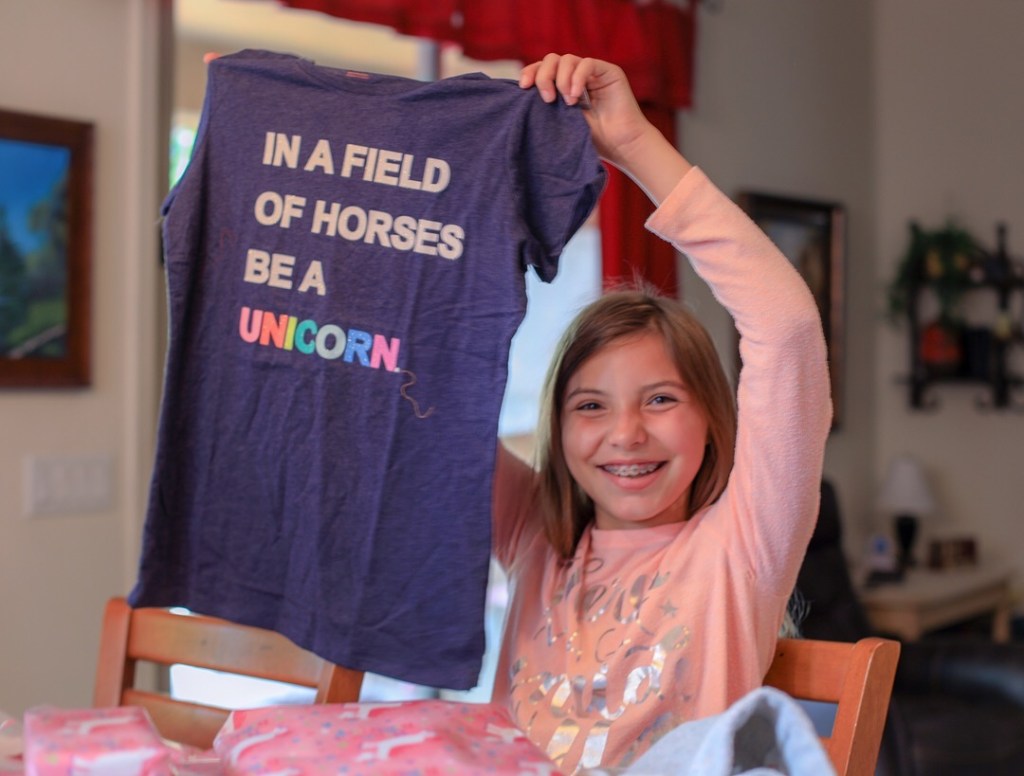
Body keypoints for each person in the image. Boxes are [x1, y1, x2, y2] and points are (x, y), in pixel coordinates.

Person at [489, 54, 833, 773]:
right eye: (591, 406)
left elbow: (788, 328)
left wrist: (633, 143)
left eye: (661, 399)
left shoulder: (740, 549)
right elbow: (411, 379)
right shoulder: (533, 536)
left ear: (711, 418)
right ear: (559, 428)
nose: (626, 434)